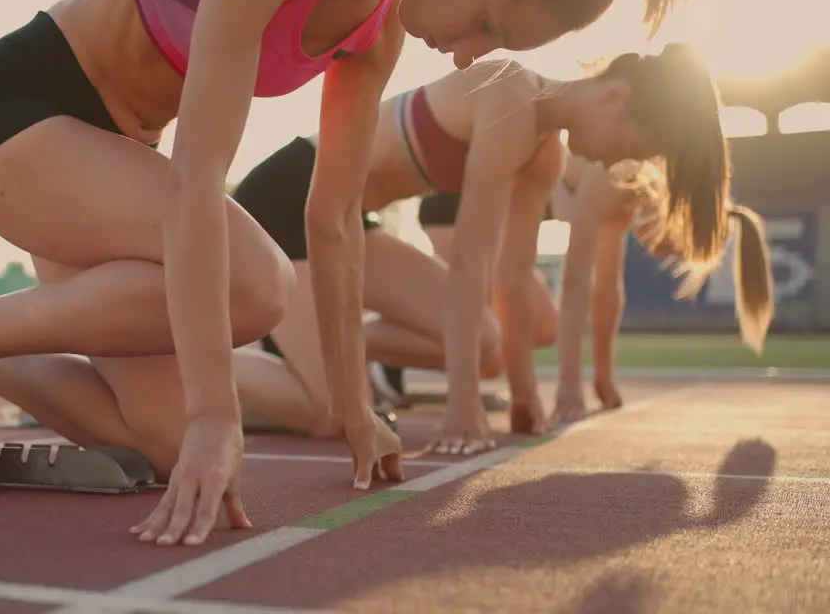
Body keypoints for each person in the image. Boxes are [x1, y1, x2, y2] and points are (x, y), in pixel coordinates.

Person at [0, 0, 698, 547]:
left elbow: (331, 221)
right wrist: (214, 415)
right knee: (255, 286)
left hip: (111, 166)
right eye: (490, 23)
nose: (475, 56)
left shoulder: (378, 29)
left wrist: (353, 410)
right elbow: (197, 176)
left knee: (157, 445)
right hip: (19, 119)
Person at [229, 41, 738, 457]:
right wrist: (462, 405)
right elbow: (471, 263)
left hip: (350, 220)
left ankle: (311, 360)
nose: (614, 161)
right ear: (615, 97)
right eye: (627, 146)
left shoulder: (546, 155)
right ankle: (180, 363)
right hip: (285, 200)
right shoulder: (510, 97)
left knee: (487, 348)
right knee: (330, 415)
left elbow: (512, 279)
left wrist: (522, 393)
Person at [550, 153, 775, 422]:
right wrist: (569, 387)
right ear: (675, 218)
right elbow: (575, 283)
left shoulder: (630, 196)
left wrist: (603, 378)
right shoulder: (611, 175)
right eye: (672, 249)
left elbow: (607, 286)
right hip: (525, 184)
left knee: (599, 282)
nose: (659, 254)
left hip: (556, 198)